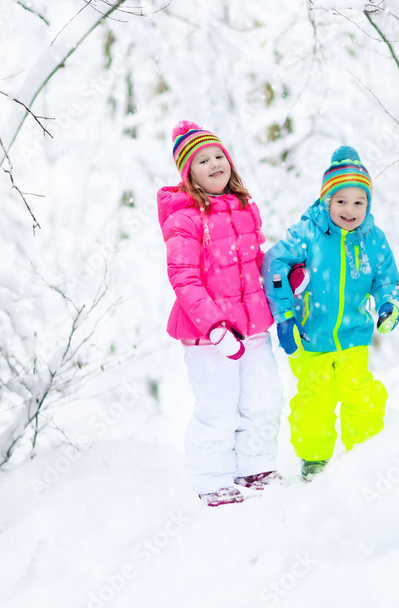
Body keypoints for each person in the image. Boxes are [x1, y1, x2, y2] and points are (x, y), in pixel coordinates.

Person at [157, 121, 283, 507]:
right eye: (201, 160)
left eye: (218, 156)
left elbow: (255, 261)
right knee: (218, 406)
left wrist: (285, 273)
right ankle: (211, 479)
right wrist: (215, 326)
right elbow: (184, 278)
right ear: (187, 174)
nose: (214, 164)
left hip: (253, 326)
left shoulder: (245, 209)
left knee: (263, 399)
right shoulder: (185, 219)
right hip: (209, 334)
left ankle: (256, 467)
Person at [262, 146, 399, 482]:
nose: (350, 210)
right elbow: (274, 265)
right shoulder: (307, 234)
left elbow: (388, 279)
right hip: (311, 337)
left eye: (359, 202)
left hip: (354, 336)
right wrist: (284, 316)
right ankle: (314, 459)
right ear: (326, 201)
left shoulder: (373, 238)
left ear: (368, 204)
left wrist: (389, 304)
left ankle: (365, 453)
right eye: (341, 201)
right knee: (316, 397)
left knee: (360, 392)